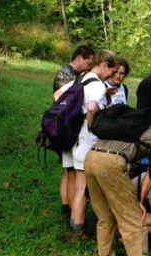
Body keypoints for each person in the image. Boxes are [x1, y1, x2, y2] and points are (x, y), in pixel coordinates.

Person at [84, 100, 151, 256]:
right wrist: (140, 201)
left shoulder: (138, 120)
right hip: (111, 163)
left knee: (105, 217)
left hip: (91, 157)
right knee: (133, 220)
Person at [54, 49, 119, 235]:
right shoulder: (97, 85)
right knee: (83, 187)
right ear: (104, 65)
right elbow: (91, 107)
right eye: (111, 71)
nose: (112, 76)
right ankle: (78, 229)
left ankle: (74, 222)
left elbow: (58, 94)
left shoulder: (81, 78)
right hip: (85, 137)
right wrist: (92, 125)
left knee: (78, 182)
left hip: (73, 137)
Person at [53, 45, 95, 229]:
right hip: (67, 128)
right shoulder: (65, 75)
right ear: (79, 58)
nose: (88, 66)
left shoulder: (72, 74)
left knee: (69, 170)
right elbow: (62, 101)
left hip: (67, 128)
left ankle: (69, 211)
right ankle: (71, 213)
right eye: (88, 62)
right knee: (70, 172)